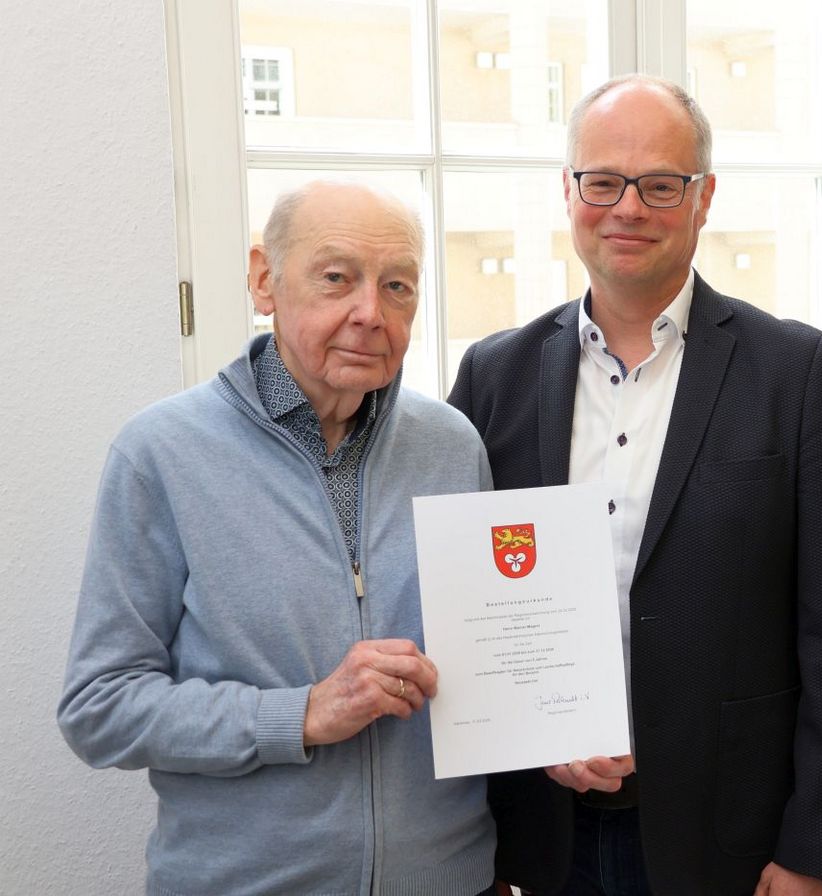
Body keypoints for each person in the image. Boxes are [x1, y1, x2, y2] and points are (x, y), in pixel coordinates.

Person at [448, 75, 822, 896]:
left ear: (703, 198)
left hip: (733, 843)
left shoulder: (797, 374)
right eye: (602, 181)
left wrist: (818, 853)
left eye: (660, 184)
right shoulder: (493, 376)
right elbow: (464, 606)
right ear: (568, 191)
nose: (628, 207)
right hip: (539, 840)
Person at [58, 181, 498, 896]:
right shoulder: (161, 453)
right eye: (337, 277)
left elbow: (488, 664)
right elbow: (99, 708)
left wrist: (559, 730)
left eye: (397, 286)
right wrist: (300, 715)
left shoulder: (453, 446)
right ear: (265, 281)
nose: (370, 313)